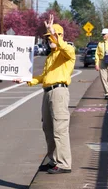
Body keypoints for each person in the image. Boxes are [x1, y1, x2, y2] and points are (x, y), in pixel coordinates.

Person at [13, 14, 76, 174]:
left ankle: (64, 163)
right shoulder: (50, 57)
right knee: (48, 127)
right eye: (48, 38)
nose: (49, 40)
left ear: (59, 36)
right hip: (48, 92)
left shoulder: (66, 53)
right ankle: (53, 160)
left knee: (60, 128)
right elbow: (44, 77)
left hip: (59, 92)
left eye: (51, 37)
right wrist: (27, 80)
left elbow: (67, 48)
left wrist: (54, 33)